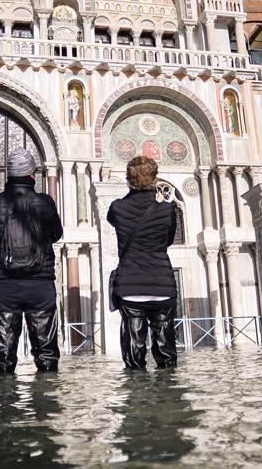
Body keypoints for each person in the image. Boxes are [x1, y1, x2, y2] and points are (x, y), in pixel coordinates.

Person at [0, 148, 63, 373]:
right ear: (31, 174)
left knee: (3, 356)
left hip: (6, 286)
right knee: (46, 353)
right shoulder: (45, 202)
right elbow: (56, 234)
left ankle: (5, 404)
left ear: (9, 174)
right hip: (40, 286)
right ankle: (45, 402)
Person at [107, 155, 179, 370]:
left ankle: (136, 394)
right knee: (166, 349)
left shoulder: (117, 208)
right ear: (155, 179)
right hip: (162, 285)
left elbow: (113, 219)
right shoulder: (167, 209)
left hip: (130, 287)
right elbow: (167, 240)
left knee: (133, 348)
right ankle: (167, 394)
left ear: (128, 179)